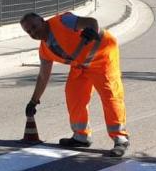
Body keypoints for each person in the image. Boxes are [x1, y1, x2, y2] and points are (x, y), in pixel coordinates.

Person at [20, 12, 130, 157]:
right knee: (74, 96)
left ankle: (120, 138)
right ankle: (81, 136)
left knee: (110, 96)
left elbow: (91, 21)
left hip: (103, 58)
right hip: (81, 66)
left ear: (42, 20)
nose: (33, 32)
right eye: (29, 31)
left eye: (34, 26)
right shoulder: (45, 50)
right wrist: (33, 101)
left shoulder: (63, 21)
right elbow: (43, 76)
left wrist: (92, 30)